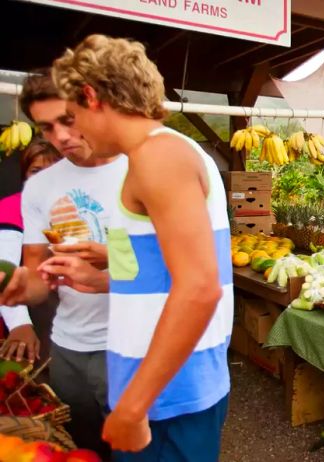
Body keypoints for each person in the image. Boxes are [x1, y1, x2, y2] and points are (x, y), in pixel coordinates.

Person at [38, 34, 232, 460]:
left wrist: (133, 405)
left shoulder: (158, 158)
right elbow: (164, 271)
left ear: (92, 96)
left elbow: (200, 287)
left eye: (71, 116)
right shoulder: (157, 156)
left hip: (167, 397)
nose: (74, 133)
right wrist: (102, 279)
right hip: (162, 391)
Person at [0, 71, 126, 458]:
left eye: (67, 121)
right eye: (47, 127)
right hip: (68, 346)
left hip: (128, 344)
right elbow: (41, 275)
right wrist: (22, 288)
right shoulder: (41, 187)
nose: (61, 137)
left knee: (134, 447)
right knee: (81, 447)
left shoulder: (137, 171)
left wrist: (103, 276)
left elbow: (172, 265)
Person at [0, 138, 61, 363]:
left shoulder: (66, 209)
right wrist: (20, 324)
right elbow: (5, 269)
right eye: (36, 170)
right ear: (25, 175)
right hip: (28, 313)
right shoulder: (11, 208)